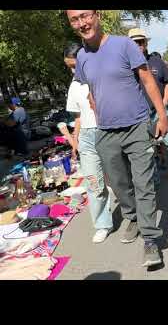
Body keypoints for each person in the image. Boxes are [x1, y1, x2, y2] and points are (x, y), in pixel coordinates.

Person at [66, 10, 168, 267]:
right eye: (75, 20)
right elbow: (91, 89)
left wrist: (162, 115)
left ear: (97, 15)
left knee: (143, 183)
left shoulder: (124, 45)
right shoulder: (81, 57)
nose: (82, 23)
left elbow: (147, 80)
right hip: (106, 131)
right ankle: (132, 215)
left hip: (136, 126)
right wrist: (98, 110)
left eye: (85, 16)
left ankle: (149, 240)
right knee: (119, 183)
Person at [62, 43, 113, 244]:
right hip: (87, 138)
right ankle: (102, 224)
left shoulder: (102, 77)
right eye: (69, 67)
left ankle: (134, 214)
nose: (73, 70)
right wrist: (75, 142)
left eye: (75, 65)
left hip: (108, 132)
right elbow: (78, 118)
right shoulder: (74, 86)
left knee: (120, 179)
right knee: (93, 182)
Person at [128, 28, 168, 178]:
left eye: (141, 42)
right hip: (139, 114)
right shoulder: (125, 65)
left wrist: (164, 102)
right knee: (147, 147)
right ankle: (154, 173)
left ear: (146, 43)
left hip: (159, 110)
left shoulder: (156, 61)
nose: (138, 45)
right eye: (134, 42)